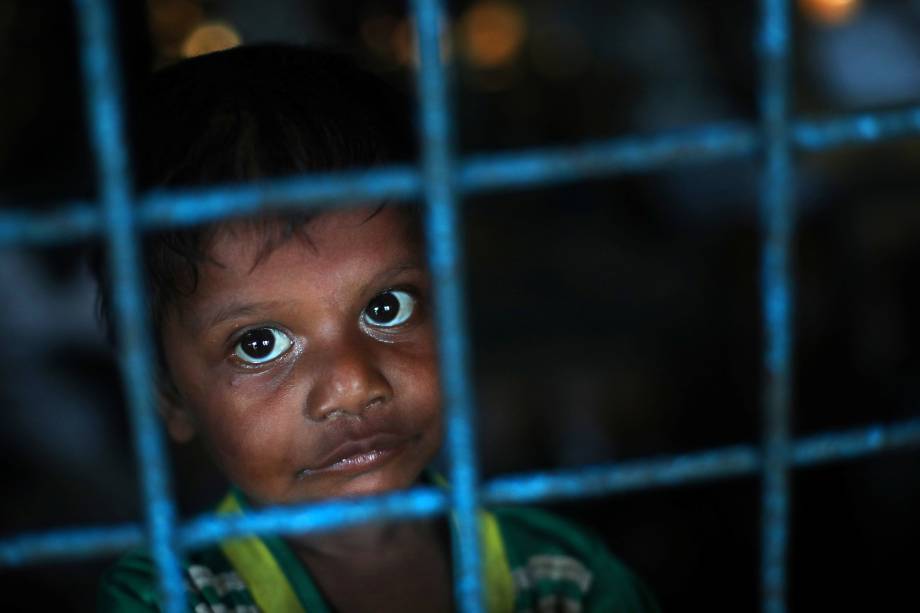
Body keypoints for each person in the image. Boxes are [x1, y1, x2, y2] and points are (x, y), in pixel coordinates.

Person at [93, 44, 659, 613]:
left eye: (387, 307)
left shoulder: (560, 572)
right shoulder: (166, 597)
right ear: (167, 391)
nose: (352, 384)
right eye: (259, 344)